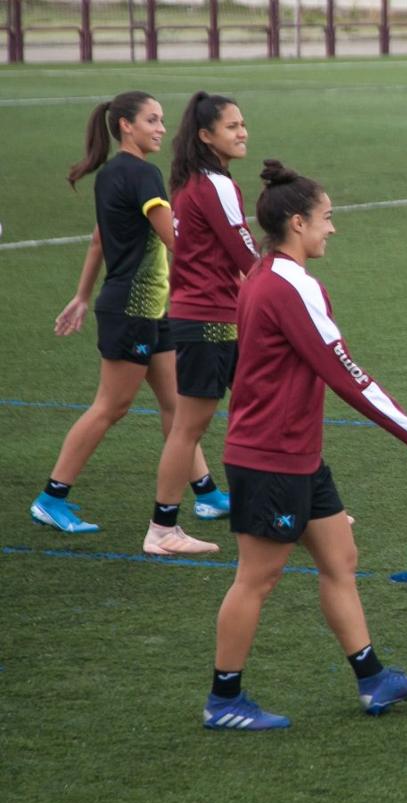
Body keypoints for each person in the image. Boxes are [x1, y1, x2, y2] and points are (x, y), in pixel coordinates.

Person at [203, 160, 407, 730]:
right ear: (297, 223)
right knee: (255, 579)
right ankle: (223, 700)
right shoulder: (292, 286)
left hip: (296, 454)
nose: (332, 228)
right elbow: (345, 373)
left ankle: (373, 680)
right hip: (271, 458)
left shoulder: (264, 274)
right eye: (326, 218)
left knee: (340, 558)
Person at [28, 91, 222, 540]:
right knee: (110, 406)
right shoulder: (142, 174)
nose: (160, 128)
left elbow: (99, 239)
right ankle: (51, 498)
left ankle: (208, 494)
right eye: (151, 120)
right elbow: (176, 240)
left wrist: (80, 296)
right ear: (125, 127)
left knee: (177, 404)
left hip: (149, 310)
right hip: (132, 311)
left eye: (162, 120)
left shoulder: (113, 174)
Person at [145, 92, 258, 555]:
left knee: (263, 405)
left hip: (209, 314)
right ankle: (162, 529)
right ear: (206, 136)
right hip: (208, 318)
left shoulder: (196, 182)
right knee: (189, 427)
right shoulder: (214, 185)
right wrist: (285, 289)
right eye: (232, 126)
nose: (242, 131)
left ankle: (303, 506)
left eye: (242, 123)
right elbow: (244, 250)